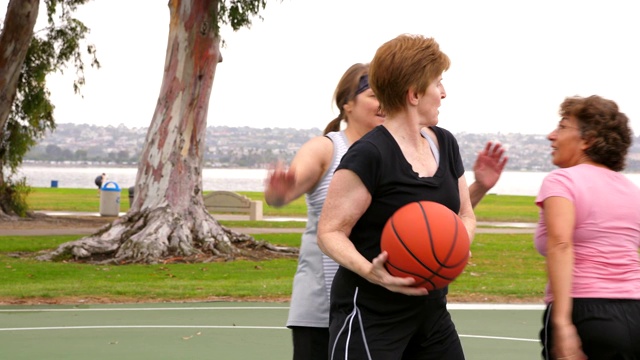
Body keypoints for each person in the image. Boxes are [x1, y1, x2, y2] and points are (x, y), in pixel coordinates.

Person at [266, 63, 507, 359]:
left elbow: (436, 221)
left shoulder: (431, 144)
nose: (381, 102)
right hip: (334, 296)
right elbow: (312, 214)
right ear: (347, 104)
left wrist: (456, 242)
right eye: (372, 95)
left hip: (417, 301)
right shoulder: (334, 149)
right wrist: (279, 193)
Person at [317, 34, 473, 359]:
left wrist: (455, 247)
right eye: (438, 83)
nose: (444, 93)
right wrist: (371, 272)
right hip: (371, 313)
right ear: (414, 93)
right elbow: (330, 232)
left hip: (431, 311)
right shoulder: (370, 154)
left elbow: (465, 215)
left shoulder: (446, 144)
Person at [534, 95, 640, 360]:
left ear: (587, 139)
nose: (551, 135)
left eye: (562, 126)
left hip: (586, 311)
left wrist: (562, 322)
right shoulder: (631, 189)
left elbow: (561, 244)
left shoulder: (562, 181)